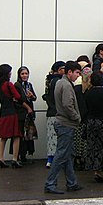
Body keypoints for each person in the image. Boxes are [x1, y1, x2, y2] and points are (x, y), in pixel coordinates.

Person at [44, 61, 83, 194]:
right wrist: (77, 117)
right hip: (66, 123)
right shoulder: (66, 85)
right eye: (77, 72)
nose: (78, 76)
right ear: (70, 72)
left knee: (66, 155)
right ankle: (50, 183)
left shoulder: (60, 82)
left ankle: (72, 182)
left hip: (62, 122)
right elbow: (68, 105)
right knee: (61, 155)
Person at [0, 64, 33, 168]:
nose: (11, 73)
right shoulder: (9, 84)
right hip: (11, 112)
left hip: (3, 112)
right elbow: (18, 96)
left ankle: (0, 158)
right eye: (9, 72)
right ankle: (15, 159)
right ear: (7, 73)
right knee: (16, 135)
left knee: (4, 136)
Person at [42, 61, 65, 168]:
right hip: (58, 113)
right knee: (59, 137)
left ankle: (50, 159)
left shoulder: (49, 80)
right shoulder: (59, 81)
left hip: (50, 112)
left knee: (51, 137)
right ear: (59, 70)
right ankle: (56, 160)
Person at [13, 66, 37, 163]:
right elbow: (19, 99)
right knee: (21, 134)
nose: (25, 75)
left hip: (29, 113)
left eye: (26, 73)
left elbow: (34, 98)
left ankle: (24, 156)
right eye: (22, 73)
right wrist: (28, 107)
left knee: (28, 135)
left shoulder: (29, 85)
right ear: (19, 75)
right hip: (21, 113)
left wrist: (31, 96)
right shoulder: (17, 85)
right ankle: (19, 155)